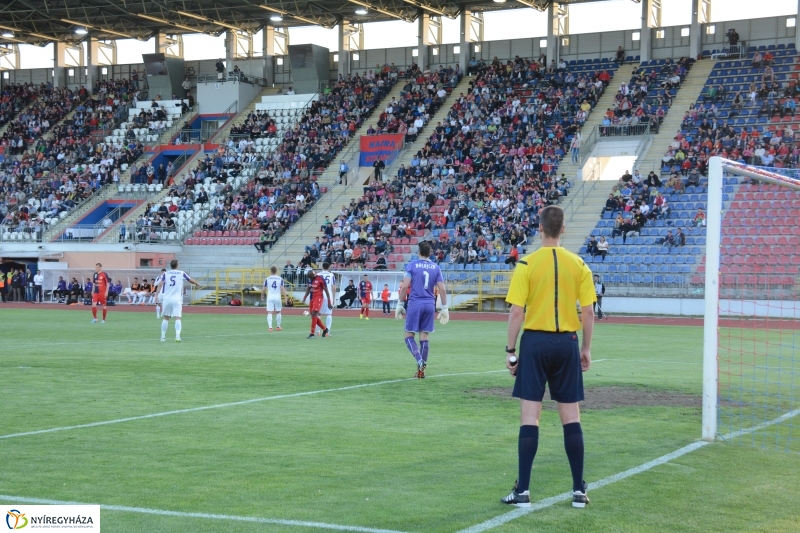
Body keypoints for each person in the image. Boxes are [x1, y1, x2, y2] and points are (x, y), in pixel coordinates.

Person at [500, 205, 594, 509]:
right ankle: (579, 490)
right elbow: (589, 311)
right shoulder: (579, 264)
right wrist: (586, 348)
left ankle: (523, 491)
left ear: (540, 229)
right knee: (571, 417)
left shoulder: (526, 264)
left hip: (535, 343)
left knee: (530, 417)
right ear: (563, 229)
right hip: (567, 342)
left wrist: (511, 351)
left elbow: (517, 312)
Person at [395, 241, 449, 378]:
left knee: (408, 336)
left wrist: (400, 304)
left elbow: (405, 286)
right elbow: (442, 289)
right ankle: (421, 372)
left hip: (415, 303)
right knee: (424, 337)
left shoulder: (412, 265)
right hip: (429, 305)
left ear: (418, 252)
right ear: (430, 253)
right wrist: (445, 308)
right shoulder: (436, 267)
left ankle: (419, 361)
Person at [156, 259, 201, 342]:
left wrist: (156, 296)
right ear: (177, 265)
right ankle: (177, 336)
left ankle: (162, 337)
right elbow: (190, 280)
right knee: (178, 318)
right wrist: (197, 283)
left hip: (167, 299)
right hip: (177, 299)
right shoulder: (181, 273)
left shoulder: (166, 274)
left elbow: (160, 284)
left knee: (166, 318)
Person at [301, 269, 332, 339]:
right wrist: (304, 297)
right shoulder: (309, 279)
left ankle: (312, 334)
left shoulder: (320, 279)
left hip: (319, 298)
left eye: (312, 277)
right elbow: (308, 289)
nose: (311, 279)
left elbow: (326, 290)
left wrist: (329, 302)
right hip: (312, 298)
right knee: (313, 316)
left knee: (315, 313)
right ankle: (325, 329)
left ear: (314, 275)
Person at [261, 266, 287, 332]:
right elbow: (282, 288)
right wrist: (285, 297)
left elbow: (264, 289)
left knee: (270, 312)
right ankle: (278, 327)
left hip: (270, 297)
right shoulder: (280, 279)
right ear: (276, 271)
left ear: (270, 271)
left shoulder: (267, 279)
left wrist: (262, 295)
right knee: (278, 311)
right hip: (277, 297)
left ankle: (270, 327)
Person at [316, 263, 336, 336]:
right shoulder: (331, 275)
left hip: (319, 296)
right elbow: (334, 288)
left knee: (318, 313)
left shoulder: (318, 275)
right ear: (329, 267)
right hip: (328, 296)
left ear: (322, 267)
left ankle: (318, 331)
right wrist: (333, 299)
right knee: (329, 314)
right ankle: (327, 331)